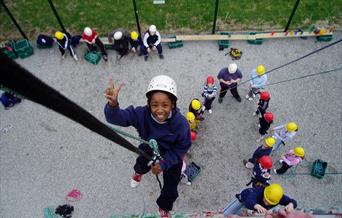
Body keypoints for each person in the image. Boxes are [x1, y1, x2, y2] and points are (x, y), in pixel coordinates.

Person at [103, 75, 191, 217]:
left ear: (173, 104)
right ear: (149, 104)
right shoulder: (141, 114)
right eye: (155, 105)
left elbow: (182, 147)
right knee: (142, 162)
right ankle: (138, 173)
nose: (160, 110)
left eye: (165, 105)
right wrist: (113, 106)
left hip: (171, 156)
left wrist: (163, 164)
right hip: (149, 148)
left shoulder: (180, 124)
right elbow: (117, 118)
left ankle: (164, 207)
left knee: (171, 189)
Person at [223, 183, 297, 216]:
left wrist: (291, 204)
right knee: (225, 214)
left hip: (250, 209)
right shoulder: (258, 191)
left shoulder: (278, 197)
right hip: (242, 201)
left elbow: (292, 201)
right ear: (264, 193)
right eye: (266, 200)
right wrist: (256, 205)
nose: (267, 204)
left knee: (237, 215)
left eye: (270, 203)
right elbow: (248, 199)